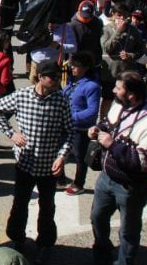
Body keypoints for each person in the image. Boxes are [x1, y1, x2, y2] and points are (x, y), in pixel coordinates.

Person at [0, 61, 74, 264]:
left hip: (48, 167)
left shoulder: (60, 100)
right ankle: (17, 239)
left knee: (47, 208)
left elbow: (69, 132)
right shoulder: (22, 95)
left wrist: (62, 156)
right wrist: (11, 134)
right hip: (25, 164)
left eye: (57, 77)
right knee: (19, 204)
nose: (56, 81)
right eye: (52, 77)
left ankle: (45, 244)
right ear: (40, 78)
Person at [89, 71, 147, 265]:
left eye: (118, 88)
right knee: (97, 218)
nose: (114, 90)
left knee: (128, 231)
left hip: (130, 188)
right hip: (106, 178)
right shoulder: (119, 105)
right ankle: (102, 253)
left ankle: (124, 262)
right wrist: (98, 129)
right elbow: (108, 123)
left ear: (131, 94)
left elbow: (144, 163)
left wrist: (112, 145)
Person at [61, 51, 100, 196]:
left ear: (85, 68)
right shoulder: (72, 82)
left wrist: (71, 117)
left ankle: (79, 183)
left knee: (80, 157)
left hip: (80, 128)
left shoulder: (91, 86)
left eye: (76, 66)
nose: (73, 68)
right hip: (65, 125)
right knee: (60, 152)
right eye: (72, 65)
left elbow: (92, 111)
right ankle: (60, 179)